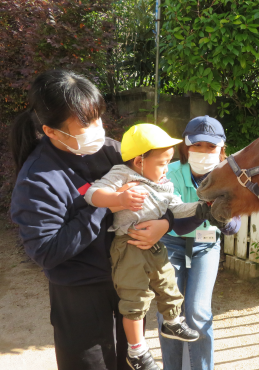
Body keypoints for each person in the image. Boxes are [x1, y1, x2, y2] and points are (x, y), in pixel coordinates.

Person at [9, 70, 172, 370]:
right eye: (85, 123)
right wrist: (106, 203)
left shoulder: (112, 151)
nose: (98, 129)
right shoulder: (38, 180)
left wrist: (166, 224)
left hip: (128, 281)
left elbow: (161, 188)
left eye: (98, 117)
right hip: (79, 295)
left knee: (132, 361)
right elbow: (46, 251)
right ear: (52, 131)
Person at [84, 123, 207, 370]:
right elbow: (92, 193)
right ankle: (136, 351)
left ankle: (172, 321)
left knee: (168, 283)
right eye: (161, 163)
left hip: (154, 246)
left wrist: (203, 207)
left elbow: (177, 208)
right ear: (140, 161)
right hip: (128, 247)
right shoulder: (123, 174)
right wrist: (118, 198)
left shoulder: (164, 184)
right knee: (135, 299)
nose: (165, 169)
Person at [156, 116, 241, 370]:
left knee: (197, 311)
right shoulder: (168, 172)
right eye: (198, 145)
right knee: (168, 312)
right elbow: (173, 221)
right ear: (186, 146)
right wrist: (205, 211)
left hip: (206, 247)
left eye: (211, 147)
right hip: (171, 243)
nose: (204, 151)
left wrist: (222, 220)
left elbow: (234, 226)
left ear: (221, 149)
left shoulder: (229, 176)